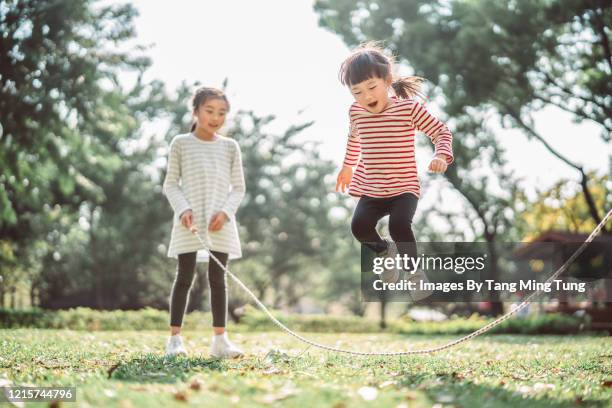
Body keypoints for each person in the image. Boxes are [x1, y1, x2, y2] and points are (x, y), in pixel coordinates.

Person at [335, 43, 454, 299]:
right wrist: (347, 167)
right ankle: (383, 251)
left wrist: (441, 153)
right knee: (359, 227)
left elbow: (440, 131)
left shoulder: (407, 109)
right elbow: (354, 140)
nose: (366, 97)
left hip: (403, 188)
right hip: (372, 187)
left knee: (399, 226)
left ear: (387, 81)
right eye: (357, 92)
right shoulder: (356, 112)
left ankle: (414, 275)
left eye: (371, 87)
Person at [162, 86, 245, 358]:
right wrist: (183, 209)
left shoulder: (230, 147)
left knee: (218, 278)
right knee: (184, 276)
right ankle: (175, 340)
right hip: (190, 222)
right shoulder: (181, 143)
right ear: (196, 111)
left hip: (220, 222)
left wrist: (225, 213)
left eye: (221, 113)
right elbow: (171, 185)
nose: (215, 117)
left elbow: (239, 189)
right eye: (209, 111)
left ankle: (220, 341)